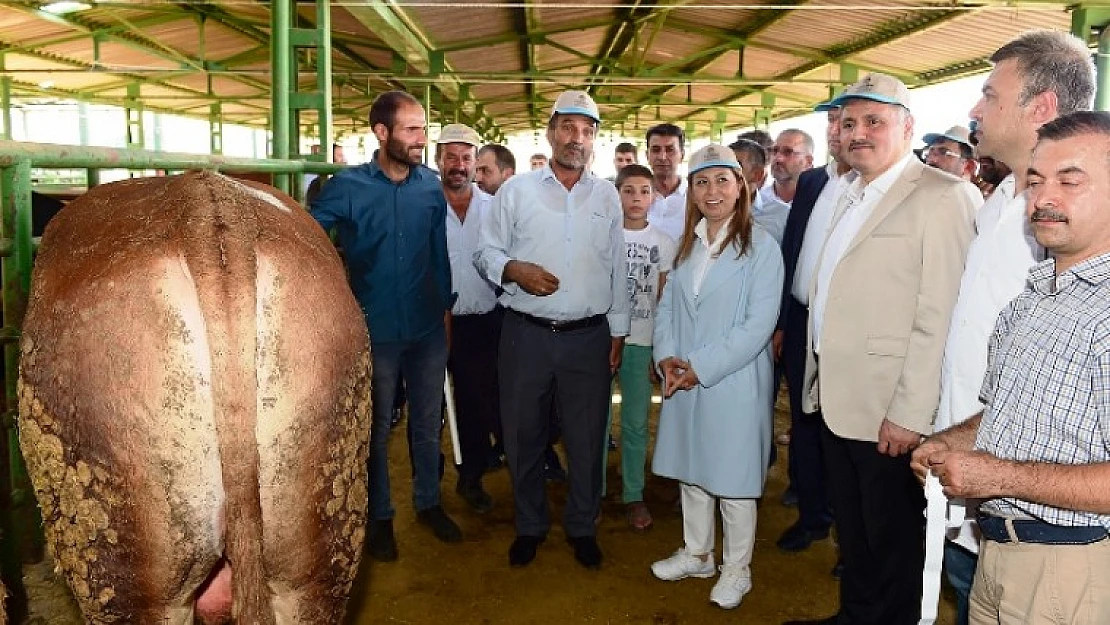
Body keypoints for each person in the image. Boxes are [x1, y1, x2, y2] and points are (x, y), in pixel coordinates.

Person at [785, 73, 976, 625]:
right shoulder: (852, 192)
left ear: (908, 127)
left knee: (893, 534)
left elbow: (939, 315)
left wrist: (910, 413)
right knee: (856, 526)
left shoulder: (943, 196)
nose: (857, 133)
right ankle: (856, 614)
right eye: (848, 122)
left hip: (889, 409)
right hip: (840, 398)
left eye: (874, 121)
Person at [912, 110, 1110, 625]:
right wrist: (952, 442)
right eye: (1036, 179)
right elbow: (1006, 411)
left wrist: (999, 475)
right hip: (999, 553)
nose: (1045, 197)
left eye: (1071, 181)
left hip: (1071, 567)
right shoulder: (1035, 294)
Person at [475, 89, 629, 570]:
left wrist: (618, 332)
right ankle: (530, 525)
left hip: (588, 336)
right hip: (526, 335)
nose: (576, 139)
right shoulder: (517, 191)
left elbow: (617, 265)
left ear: (595, 141)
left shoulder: (607, 194)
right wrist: (513, 269)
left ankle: (582, 526)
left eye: (587, 131)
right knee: (523, 435)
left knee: (586, 438)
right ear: (550, 132)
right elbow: (485, 252)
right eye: (568, 128)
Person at [311, 90, 460, 563]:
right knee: (374, 429)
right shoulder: (348, 187)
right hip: (373, 331)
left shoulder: (430, 186)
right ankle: (380, 517)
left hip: (426, 328)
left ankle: (429, 503)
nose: (422, 139)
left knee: (425, 421)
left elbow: (439, 251)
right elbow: (309, 236)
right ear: (382, 133)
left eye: (423, 128)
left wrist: (446, 309)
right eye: (412, 129)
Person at [649, 144, 784, 611]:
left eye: (722, 180)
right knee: (692, 470)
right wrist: (666, 357)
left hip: (733, 380)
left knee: (733, 480)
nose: (712, 191)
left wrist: (699, 367)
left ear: (741, 186)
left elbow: (758, 326)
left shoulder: (762, 247)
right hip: (682, 374)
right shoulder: (688, 244)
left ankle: (736, 569)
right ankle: (698, 552)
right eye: (702, 182)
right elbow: (666, 305)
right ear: (692, 191)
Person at [773, 100, 853, 554]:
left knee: (844, 428)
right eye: (834, 123)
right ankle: (812, 516)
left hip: (849, 324)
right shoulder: (813, 182)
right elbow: (792, 254)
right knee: (804, 422)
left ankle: (849, 538)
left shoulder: (878, 187)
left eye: (848, 122)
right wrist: (784, 322)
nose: (837, 131)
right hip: (803, 318)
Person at [605, 163, 676, 531]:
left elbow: (664, 299)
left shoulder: (662, 242)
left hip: (641, 344)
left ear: (654, 197)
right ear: (616, 194)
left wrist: (659, 350)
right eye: (628, 190)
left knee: (635, 423)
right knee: (596, 421)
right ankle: (594, 489)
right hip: (603, 341)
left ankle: (634, 493)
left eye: (643, 191)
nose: (636, 198)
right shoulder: (605, 235)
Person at [436, 124, 502, 515]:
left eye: (466, 158)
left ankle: (471, 475)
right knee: (432, 405)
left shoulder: (494, 209)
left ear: (475, 163)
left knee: (476, 400)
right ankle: (429, 480)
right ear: (439, 160)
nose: (458, 165)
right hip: (435, 321)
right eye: (451, 157)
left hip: (483, 322)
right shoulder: (426, 206)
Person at [730, 138, 788, 244]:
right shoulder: (710, 211)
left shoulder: (783, 215)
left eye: (736, 167)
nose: (726, 174)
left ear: (757, 175)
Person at [645, 123, 688, 241]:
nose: (662, 157)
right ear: (647, 156)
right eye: (656, 150)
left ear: (682, 156)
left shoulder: (695, 198)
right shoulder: (634, 197)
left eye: (670, 150)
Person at [762, 129, 814, 206]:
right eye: (775, 150)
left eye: (788, 152)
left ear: (808, 162)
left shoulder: (818, 203)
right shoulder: (757, 203)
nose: (778, 158)